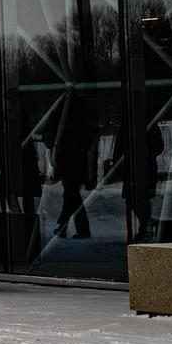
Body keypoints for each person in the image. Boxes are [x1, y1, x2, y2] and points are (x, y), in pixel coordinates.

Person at [52, 93, 96, 239]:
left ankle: (66, 226)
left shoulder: (65, 119)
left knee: (71, 195)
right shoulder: (82, 119)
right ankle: (72, 227)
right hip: (76, 162)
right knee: (72, 196)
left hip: (68, 162)